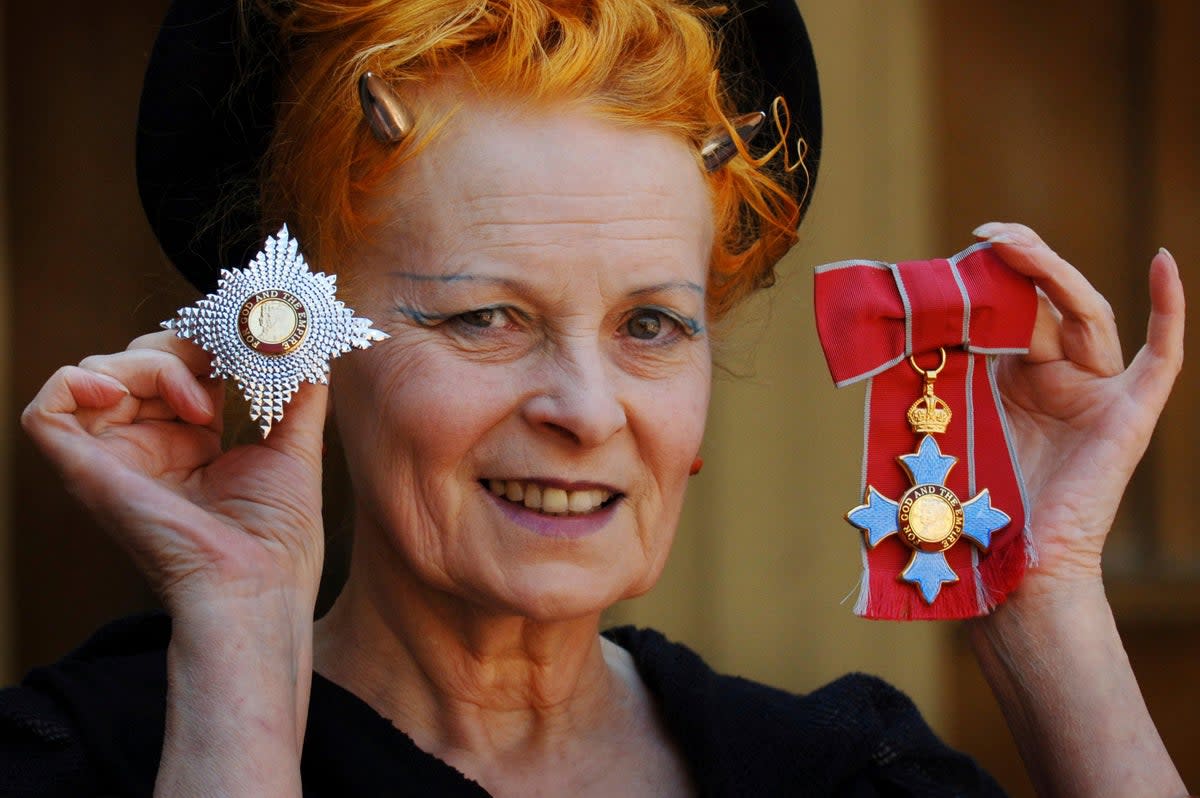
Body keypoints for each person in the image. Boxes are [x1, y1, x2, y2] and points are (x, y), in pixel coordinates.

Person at [4, 0, 1189, 795]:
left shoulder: (844, 776)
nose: (585, 406)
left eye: (650, 326)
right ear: (308, 352)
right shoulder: (85, 757)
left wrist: (1043, 594)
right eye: (484, 318)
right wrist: (239, 666)